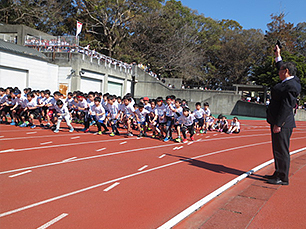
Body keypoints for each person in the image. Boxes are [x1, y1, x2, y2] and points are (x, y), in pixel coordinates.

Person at [265, 45, 301, 185]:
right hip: (278, 121)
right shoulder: (291, 80)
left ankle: (283, 177)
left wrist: (278, 124)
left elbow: (287, 107)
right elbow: (281, 65)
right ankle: (278, 171)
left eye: (280, 70)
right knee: (277, 149)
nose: (278, 72)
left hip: (283, 123)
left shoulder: (291, 86)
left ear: (285, 72)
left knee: (281, 150)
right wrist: (277, 55)